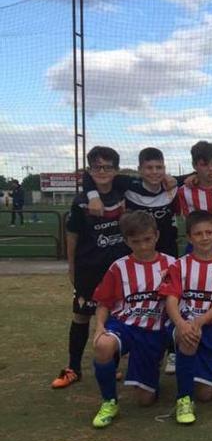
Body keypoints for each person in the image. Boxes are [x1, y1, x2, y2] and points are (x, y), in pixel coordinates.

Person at [51, 146, 130, 389]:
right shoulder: (82, 201)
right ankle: (73, 368)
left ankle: (111, 364)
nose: (103, 171)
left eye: (108, 167)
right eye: (97, 167)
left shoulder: (123, 192)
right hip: (89, 268)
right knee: (81, 315)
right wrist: (71, 266)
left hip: (116, 270)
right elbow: (72, 236)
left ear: (116, 170)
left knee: (116, 315)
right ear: (90, 170)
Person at [89, 211, 176, 428]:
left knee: (145, 400)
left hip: (154, 332)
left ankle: (150, 370)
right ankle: (109, 402)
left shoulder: (173, 265)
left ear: (156, 236)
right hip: (124, 325)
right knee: (103, 345)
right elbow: (104, 302)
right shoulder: (119, 267)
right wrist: (99, 327)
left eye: (147, 240)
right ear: (127, 241)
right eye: (136, 242)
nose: (143, 246)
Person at [159, 210, 212, 424]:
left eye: (209, 232)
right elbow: (171, 299)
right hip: (184, 322)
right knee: (189, 337)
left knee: (205, 394)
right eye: (198, 234)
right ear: (189, 238)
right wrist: (182, 324)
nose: (204, 237)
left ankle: (190, 369)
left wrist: (201, 320)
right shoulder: (179, 265)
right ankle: (183, 399)